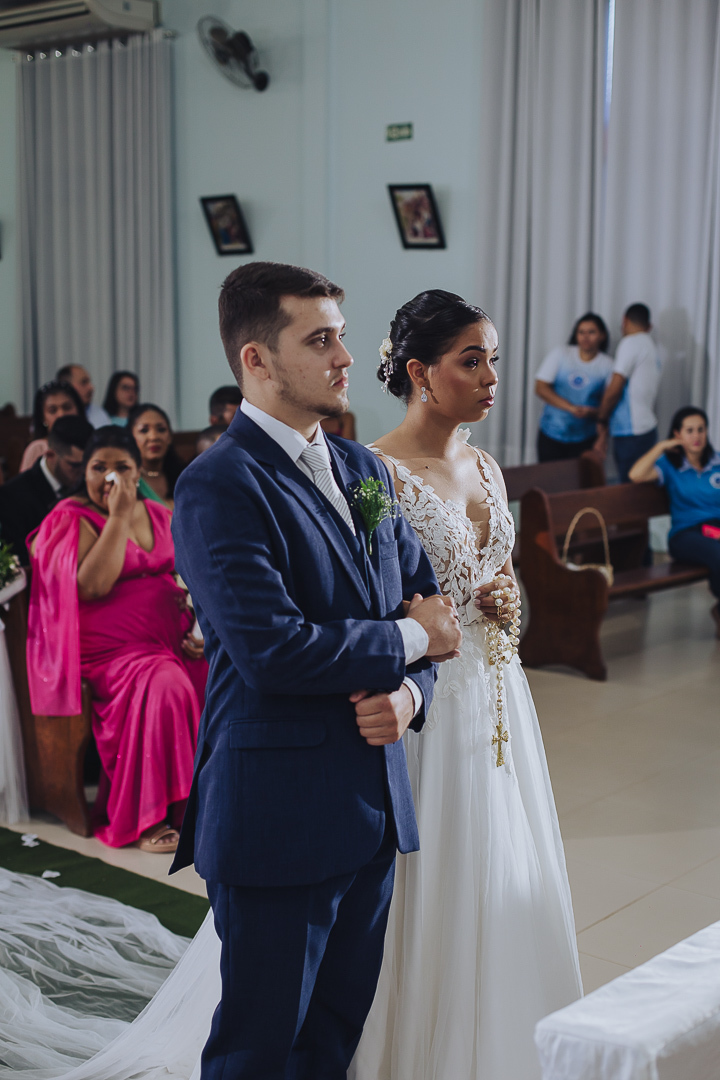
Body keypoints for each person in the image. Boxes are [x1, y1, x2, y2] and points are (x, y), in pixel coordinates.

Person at [170, 261, 461, 1080]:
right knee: (257, 1049)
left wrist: (410, 696)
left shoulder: (364, 471)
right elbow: (274, 649)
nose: (344, 356)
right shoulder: (217, 485)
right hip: (276, 815)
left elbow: (429, 611)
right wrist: (407, 647)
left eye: (341, 334)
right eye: (320, 339)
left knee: (331, 1039)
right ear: (256, 361)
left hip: (371, 803)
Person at [351, 289, 582, 1080]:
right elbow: (371, 595)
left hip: (497, 687)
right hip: (428, 699)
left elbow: (493, 567)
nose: (490, 377)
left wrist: (505, 592)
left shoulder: (484, 461)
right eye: (470, 360)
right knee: (435, 869)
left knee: (502, 849)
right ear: (419, 371)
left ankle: (501, 1030)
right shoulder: (376, 474)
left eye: (493, 359)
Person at [26, 426, 207, 852]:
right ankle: (151, 817)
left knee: (221, 669)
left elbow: (194, 573)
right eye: (98, 467)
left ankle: (214, 805)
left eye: (121, 467)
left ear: (139, 469)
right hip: (111, 653)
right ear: (83, 471)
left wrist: (202, 627)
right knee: (165, 685)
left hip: (170, 640)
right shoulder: (71, 517)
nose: (109, 477)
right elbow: (93, 586)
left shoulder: (159, 511)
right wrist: (120, 515)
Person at [629, 406, 720, 637]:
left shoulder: (716, 462)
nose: (697, 436)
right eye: (689, 430)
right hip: (686, 534)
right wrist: (661, 446)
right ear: (677, 435)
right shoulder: (670, 465)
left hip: (714, 528)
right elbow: (636, 475)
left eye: (701, 429)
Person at [0, 415, 93, 564]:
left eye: (89, 465)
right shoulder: (12, 496)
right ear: (50, 455)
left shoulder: (90, 486)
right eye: (75, 465)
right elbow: (17, 560)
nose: (84, 473)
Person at [595, 303, 662, 481]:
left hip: (631, 432)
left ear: (624, 320)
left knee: (629, 488)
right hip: (646, 428)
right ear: (649, 326)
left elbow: (615, 387)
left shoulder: (631, 342)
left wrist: (601, 418)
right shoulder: (650, 346)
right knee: (641, 485)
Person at [535, 312, 613, 461]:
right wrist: (570, 408)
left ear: (602, 336)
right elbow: (540, 387)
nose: (585, 337)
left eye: (591, 332)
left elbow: (609, 403)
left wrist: (601, 434)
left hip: (585, 436)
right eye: (581, 332)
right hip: (551, 431)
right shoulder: (561, 354)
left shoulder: (608, 365)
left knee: (579, 482)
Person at [127, 403, 186, 509]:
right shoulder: (127, 480)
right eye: (144, 430)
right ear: (131, 437)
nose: (154, 437)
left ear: (169, 437)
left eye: (161, 429)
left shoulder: (184, 476)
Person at [19, 379, 84, 472]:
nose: (61, 415)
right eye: (53, 410)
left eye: (67, 407)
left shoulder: (91, 442)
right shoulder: (38, 448)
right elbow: (24, 485)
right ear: (43, 418)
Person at [57, 364, 113, 428]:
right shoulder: (58, 415)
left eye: (89, 382)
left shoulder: (98, 413)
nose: (91, 388)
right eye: (84, 382)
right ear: (68, 386)